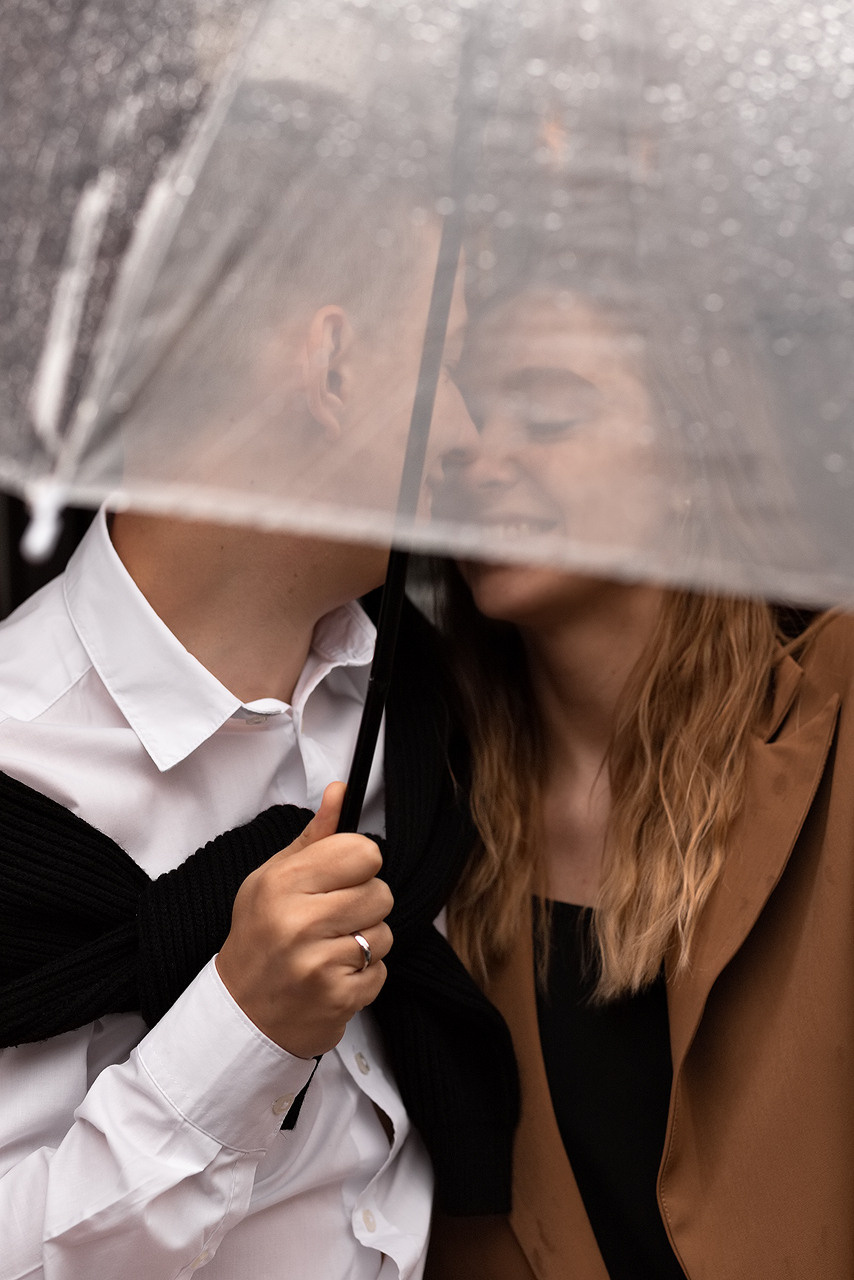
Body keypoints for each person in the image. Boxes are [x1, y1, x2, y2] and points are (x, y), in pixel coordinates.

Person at [0, 71, 520, 1280]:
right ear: (330, 367)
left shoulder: (421, 716)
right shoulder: (17, 760)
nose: (462, 433)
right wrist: (235, 1032)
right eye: (445, 365)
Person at [425, 277, 854, 1279]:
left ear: (696, 457)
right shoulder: (422, 801)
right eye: (467, 422)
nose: (482, 457)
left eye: (549, 414)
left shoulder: (835, 719)